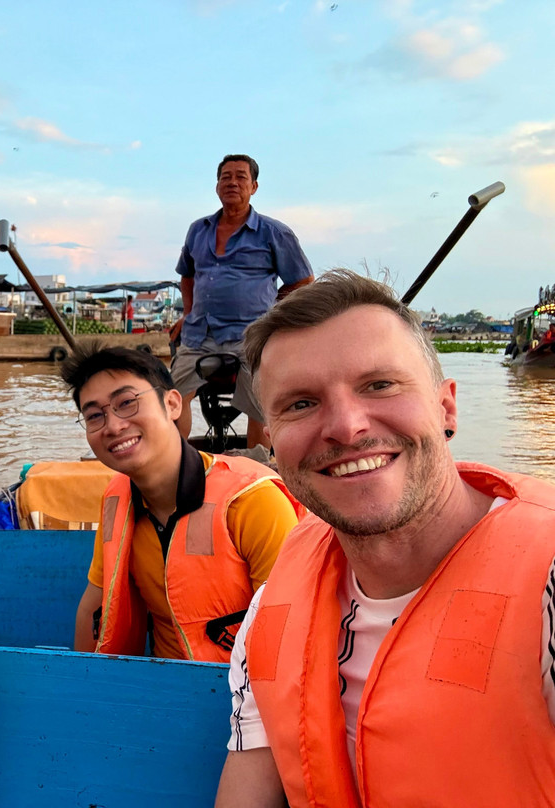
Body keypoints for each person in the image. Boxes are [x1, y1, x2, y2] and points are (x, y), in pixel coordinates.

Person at [215, 270, 555, 807]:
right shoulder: (272, 607)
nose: (347, 427)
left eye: (379, 385)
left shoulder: (548, 581)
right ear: (271, 442)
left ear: (446, 407)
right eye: (301, 404)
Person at [60, 344, 302, 663]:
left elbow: (292, 634)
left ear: (173, 404)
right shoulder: (116, 498)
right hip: (166, 685)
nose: (114, 426)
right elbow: (95, 603)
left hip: (247, 695)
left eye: (127, 403)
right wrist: (83, 690)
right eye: (95, 415)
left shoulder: (253, 502)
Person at [170, 154, 313, 448]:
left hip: (251, 335)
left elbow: (303, 281)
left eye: (240, 177)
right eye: (225, 177)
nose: (232, 182)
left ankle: (257, 466)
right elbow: (188, 275)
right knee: (171, 396)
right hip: (200, 333)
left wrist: (272, 311)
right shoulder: (199, 229)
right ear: (217, 186)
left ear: (254, 187)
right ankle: (174, 459)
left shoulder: (274, 232)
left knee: (261, 399)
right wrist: (188, 313)